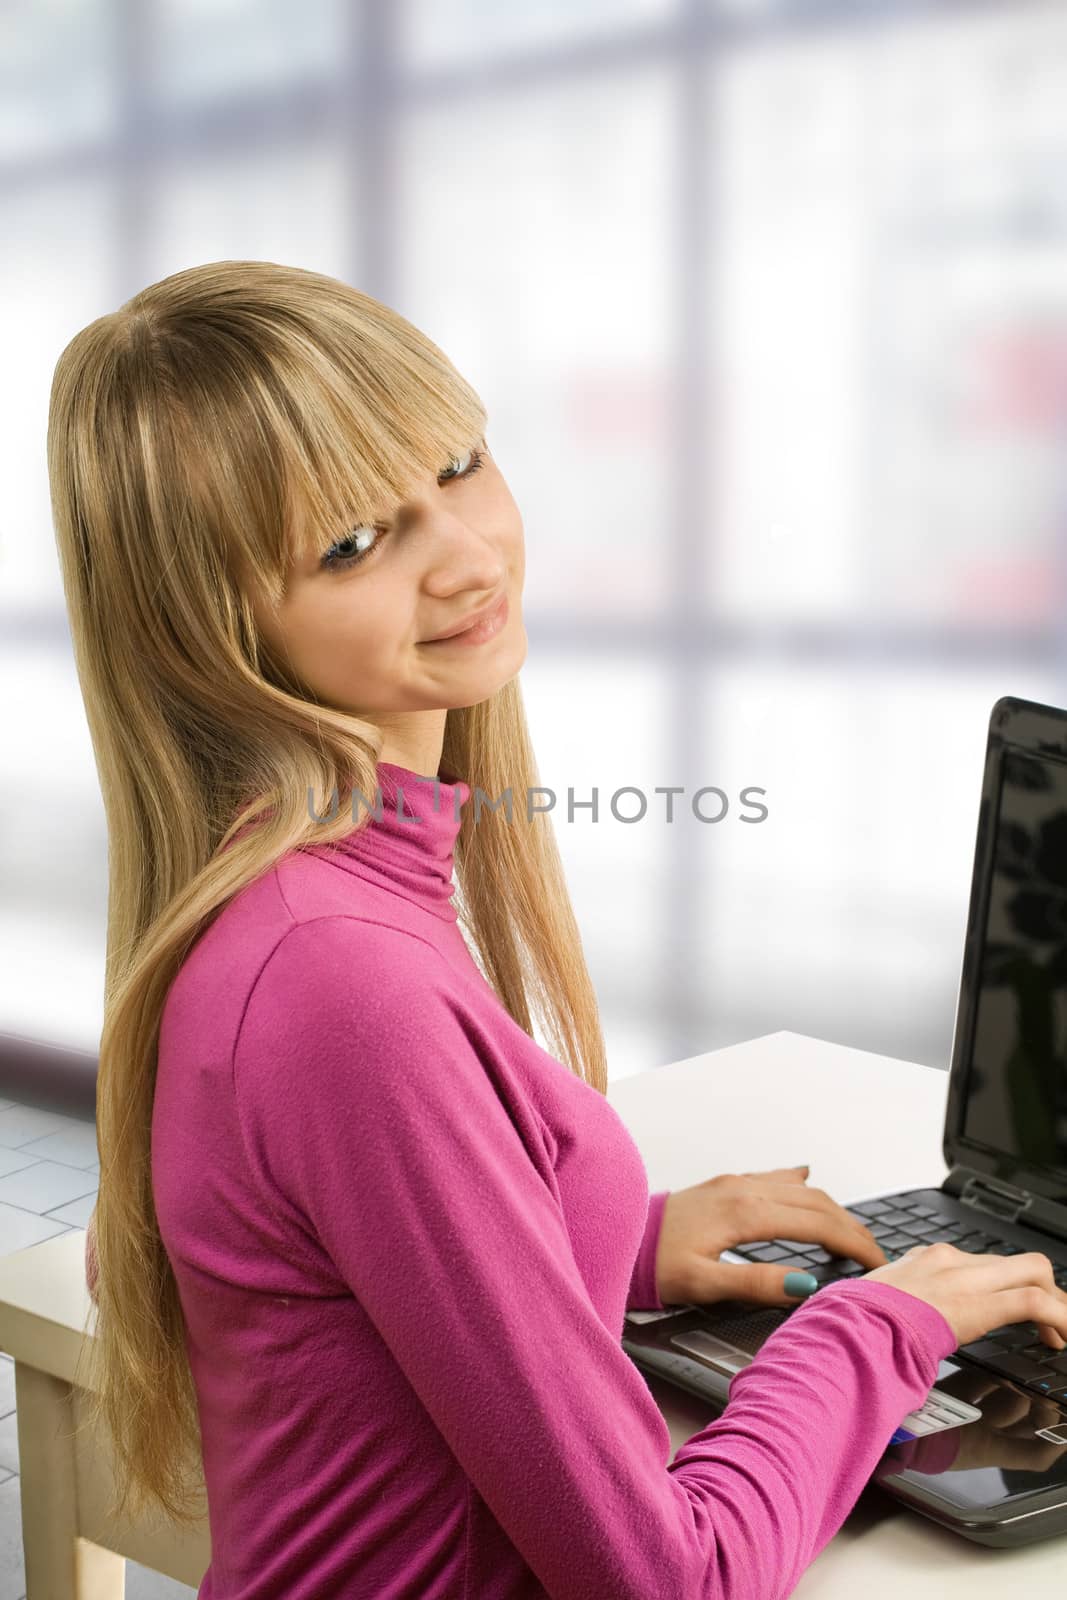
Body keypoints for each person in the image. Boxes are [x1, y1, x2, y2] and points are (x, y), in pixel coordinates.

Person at [54, 260, 1067, 1600]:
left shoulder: (312, 896)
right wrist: (877, 1329)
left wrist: (607, 1241)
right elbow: (670, 1580)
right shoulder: (342, 985)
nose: (466, 557)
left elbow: (361, 1285)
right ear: (212, 630)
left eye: (458, 465)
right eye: (353, 544)